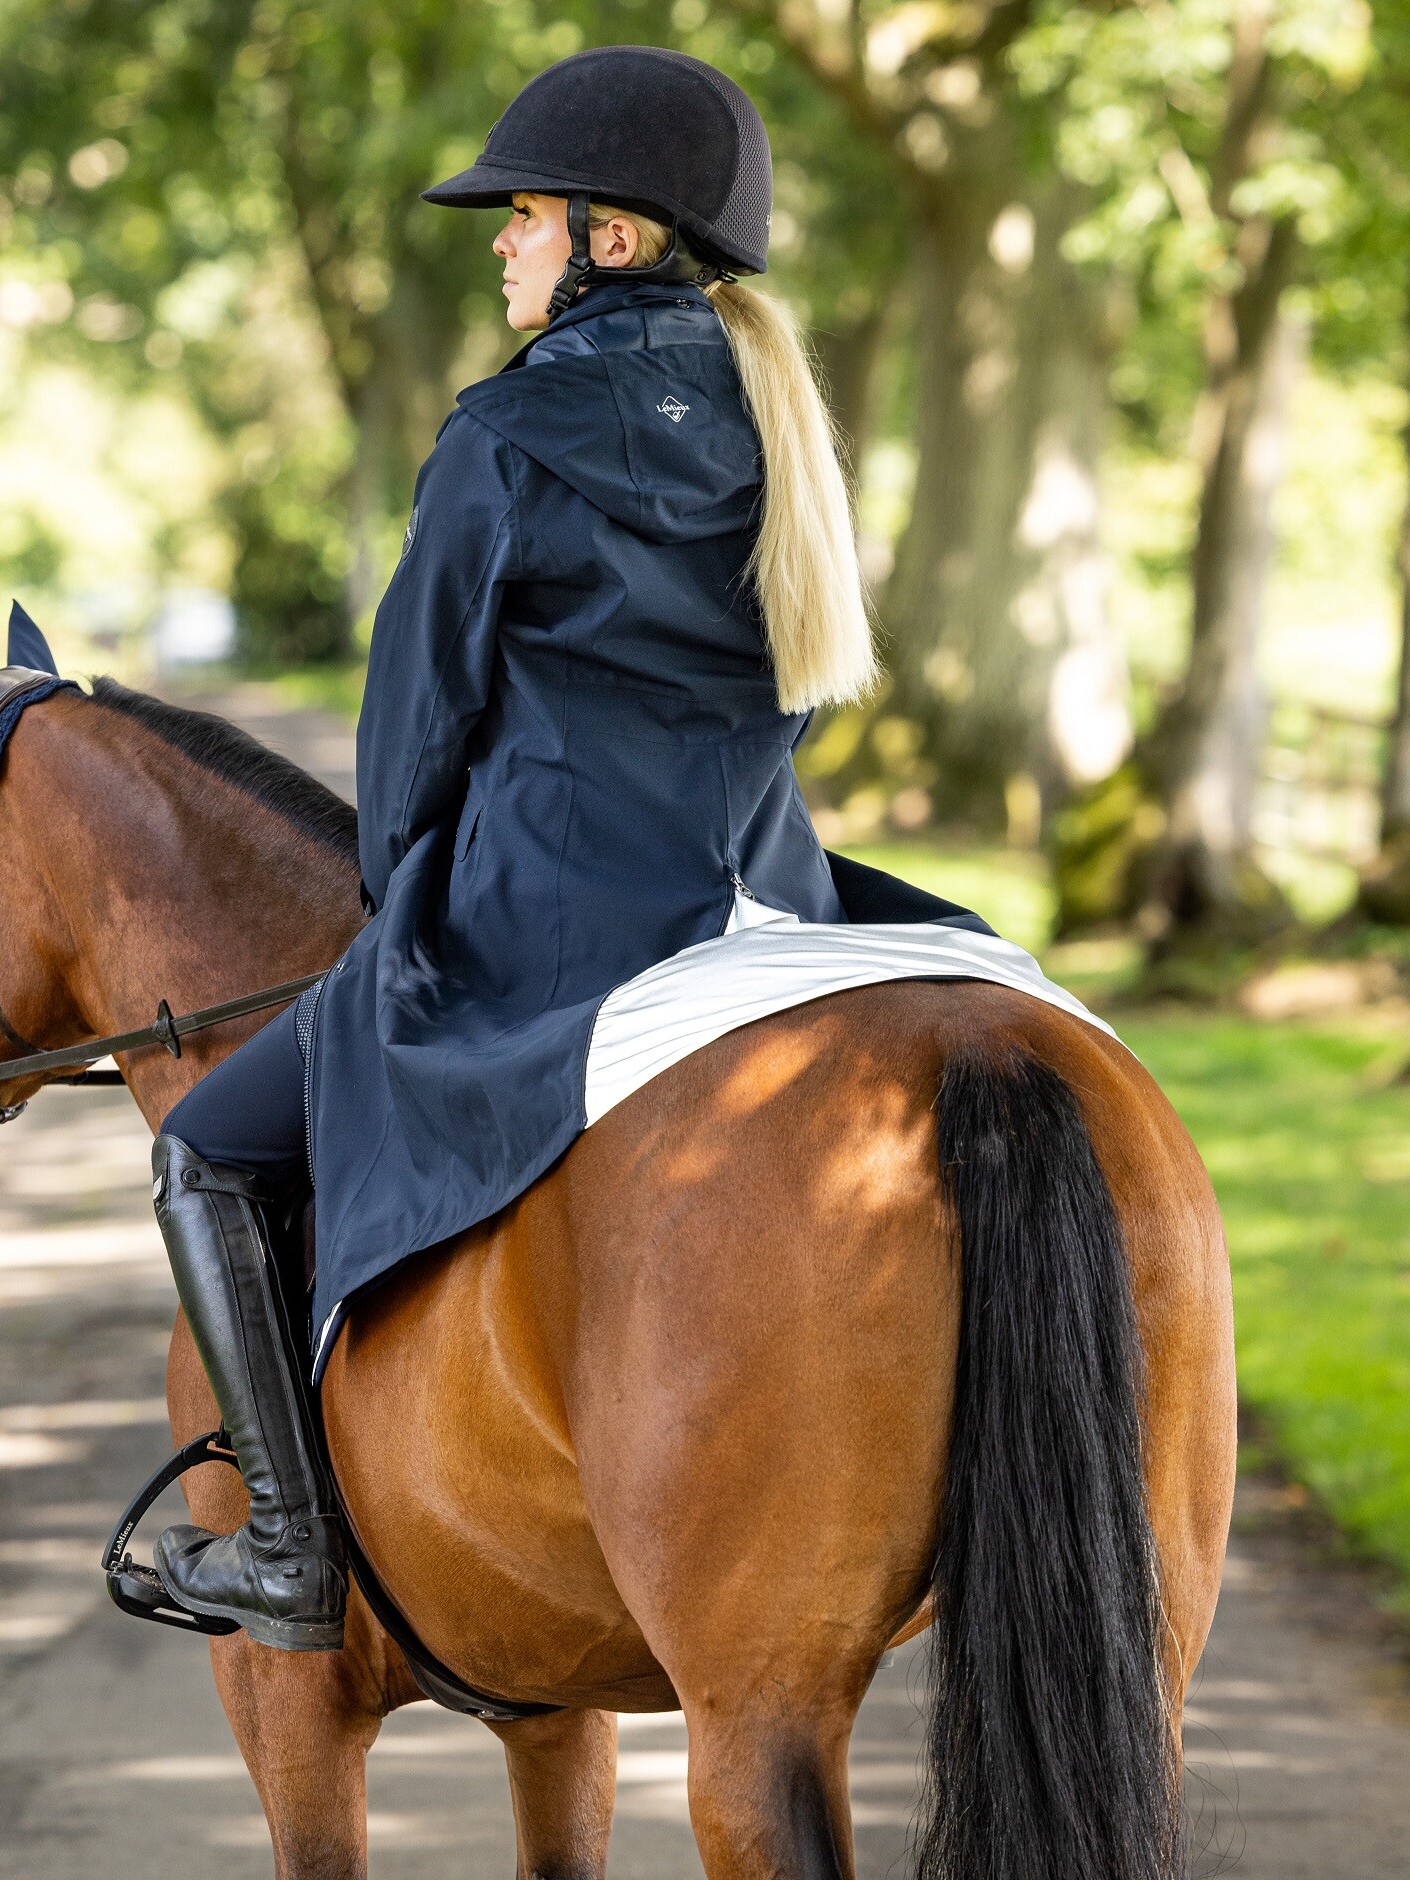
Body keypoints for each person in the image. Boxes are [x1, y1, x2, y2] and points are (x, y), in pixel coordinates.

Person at [149, 44, 886, 1651]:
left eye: (525, 214)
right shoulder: (782, 427)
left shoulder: (508, 433)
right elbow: (794, 698)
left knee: (203, 1150)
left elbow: (413, 727)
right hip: (771, 900)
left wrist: (397, 887)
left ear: (609, 239)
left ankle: (284, 1548)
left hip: (549, 919)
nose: (499, 241)